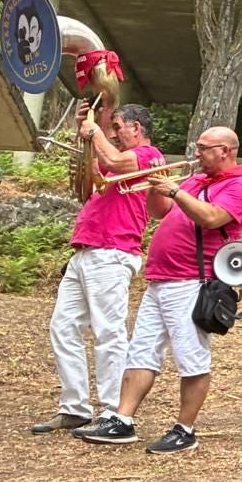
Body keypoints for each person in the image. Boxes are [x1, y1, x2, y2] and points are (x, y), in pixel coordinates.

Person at [74, 126, 242, 454]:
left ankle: (185, 429)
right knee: (141, 351)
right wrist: (155, 185)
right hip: (160, 279)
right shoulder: (197, 180)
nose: (196, 153)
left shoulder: (239, 186)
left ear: (225, 151)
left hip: (192, 280)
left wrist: (175, 191)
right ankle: (123, 419)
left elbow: (212, 218)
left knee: (192, 358)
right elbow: (161, 212)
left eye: (203, 148)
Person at [32, 104, 166, 434]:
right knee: (62, 327)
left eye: (119, 126)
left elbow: (117, 163)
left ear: (137, 128)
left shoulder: (148, 154)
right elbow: (87, 182)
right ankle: (74, 406)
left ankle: (112, 409)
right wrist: (86, 140)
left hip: (113, 249)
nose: (114, 132)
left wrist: (94, 132)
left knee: (109, 331)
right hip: (86, 249)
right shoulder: (115, 155)